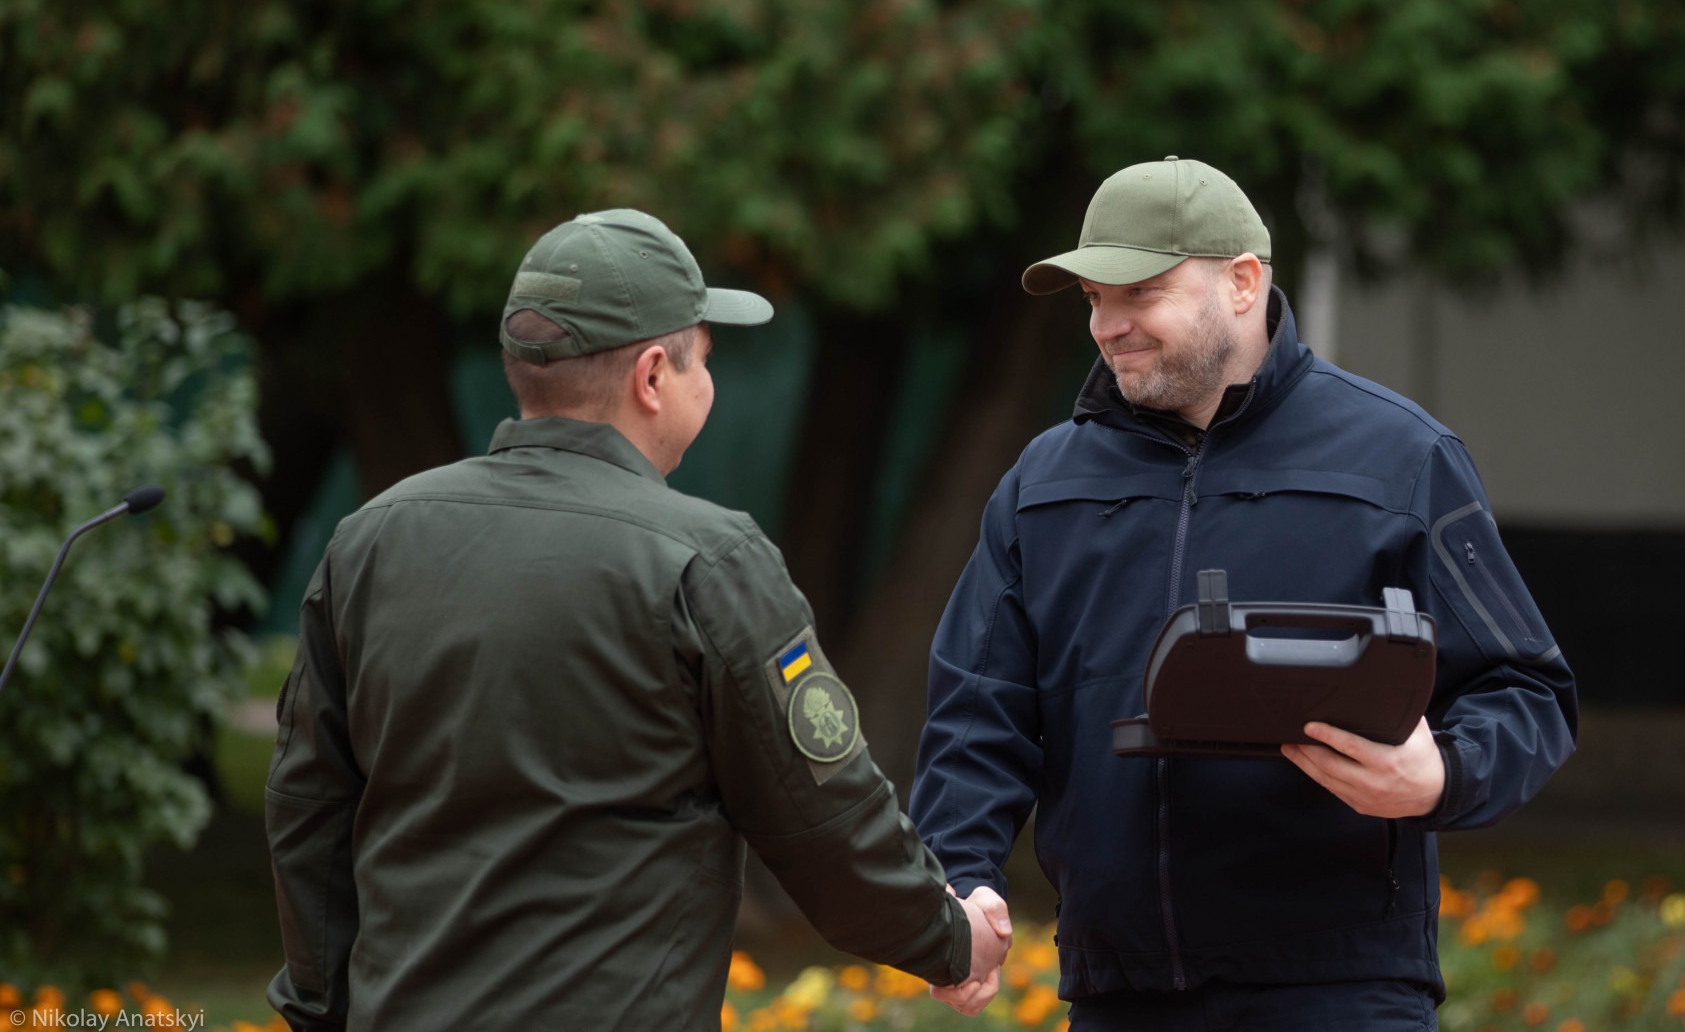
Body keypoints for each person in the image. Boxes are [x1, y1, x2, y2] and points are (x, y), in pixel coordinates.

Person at [265, 209, 1011, 1031]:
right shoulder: (707, 560)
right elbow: (823, 820)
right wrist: (950, 936)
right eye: (706, 361)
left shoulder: (369, 541)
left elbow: (309, 806)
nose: (709, 385)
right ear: (653, 376)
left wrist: (321, 1006)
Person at [909, 158, 1578, 1030]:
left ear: (1243, 281)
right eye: (1091, 299)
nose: (1108, 325)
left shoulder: (1401, 458)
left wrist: (1441, 773)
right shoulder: (1044, 485)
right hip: (1117, 996)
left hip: (1342, 990)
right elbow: (976, 712)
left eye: (1138, 291)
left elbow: (1527, 691)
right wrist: (962, 883)